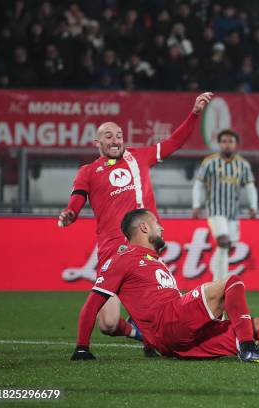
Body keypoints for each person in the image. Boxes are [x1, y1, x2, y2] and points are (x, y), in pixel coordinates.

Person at [70, 209, 259, 363]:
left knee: (258, 323)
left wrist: (149, 341)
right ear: (142, 227)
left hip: (180, 342)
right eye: (156, 223)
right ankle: (246, 349)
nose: (161, 228)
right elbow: (93, 303)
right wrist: (82, 347)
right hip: (171, 322)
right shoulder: (124, 258)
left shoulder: (154, 261)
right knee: (231, 281)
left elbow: (147, 304)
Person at [59, 91, 214, 348]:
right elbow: (77, 198)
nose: (116, 139)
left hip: (144, 249)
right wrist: (71, 213)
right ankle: (139, 333)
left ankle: (160, 334)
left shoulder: (139, 156)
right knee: (108, 324)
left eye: (119, 135)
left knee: (161, 311)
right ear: (97, 142)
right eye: (108, 136)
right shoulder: (88, 171)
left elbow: (176, 141)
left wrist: (195, 113)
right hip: (113, 251)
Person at [192, 129, 257, 281]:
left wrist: (253, 206)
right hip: (215, 211)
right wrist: (196, 204)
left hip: (233, 213)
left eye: (231, 141)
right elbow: (198, 184)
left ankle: (217, 275)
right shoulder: (210, 162)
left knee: (227, 247)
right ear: (219, 143)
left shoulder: (243, 165)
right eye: (224, 141)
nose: (227, 145)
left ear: (236, 144)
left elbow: (250, 186)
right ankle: (219, 282)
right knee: (223, 241)